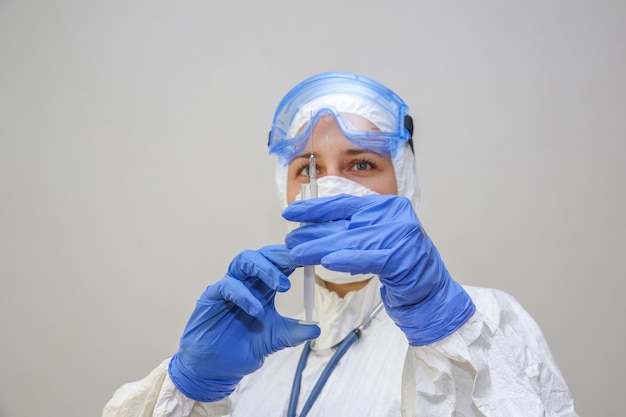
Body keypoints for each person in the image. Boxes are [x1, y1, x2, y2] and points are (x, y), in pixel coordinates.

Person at [102, 72, 578, 416]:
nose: (329, 185)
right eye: (307, 168)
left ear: (404, 185)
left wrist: (440, 327)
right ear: (284, 192)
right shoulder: (253, 350)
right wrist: (193, 389)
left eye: (361, 165)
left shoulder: (482, 325)